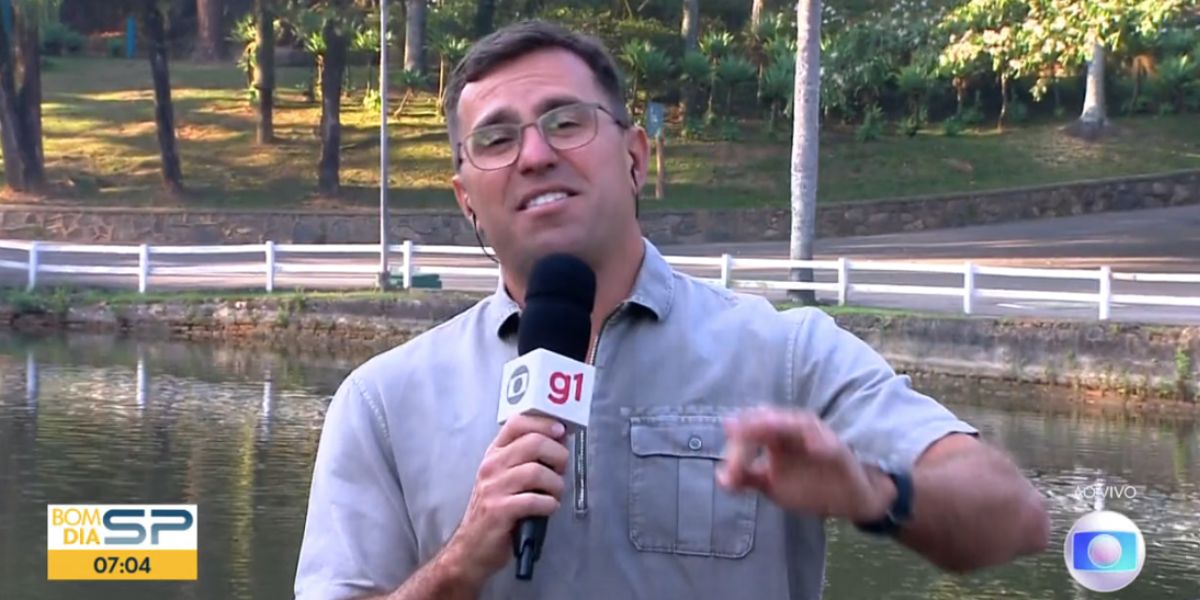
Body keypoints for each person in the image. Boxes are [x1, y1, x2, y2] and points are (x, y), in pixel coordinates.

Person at [293, 20, 1050, 600]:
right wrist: (459, 564)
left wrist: (873, 491)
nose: (533, 155)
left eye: (566, 122)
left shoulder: (782, 354)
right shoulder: (382, 402)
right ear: (467, 202)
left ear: (635, 158)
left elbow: (1014, 517)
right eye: (495, 139)